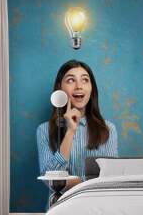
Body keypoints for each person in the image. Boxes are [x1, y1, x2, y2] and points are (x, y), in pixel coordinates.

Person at [37, 59, 118, 189]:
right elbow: (52, 182)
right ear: (59, 87)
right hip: (61, 207)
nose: (79, 86)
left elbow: (110, 179)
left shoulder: (108, 129)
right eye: (70, 80)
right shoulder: (44, 130)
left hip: (98, 205)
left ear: (91, 87)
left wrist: (73, 183)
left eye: (85, 80)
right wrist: (70, 132)